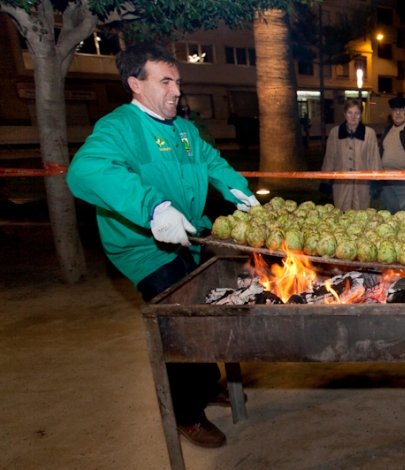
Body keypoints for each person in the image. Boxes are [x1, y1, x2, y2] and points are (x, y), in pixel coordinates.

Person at [66, 43, 260, 449]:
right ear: (135, 84)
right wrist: (152, 208)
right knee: (178, 323)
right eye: (165, 81)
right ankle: (187, 414)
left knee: (209, 307)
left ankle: (205, 383)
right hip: (143, 248)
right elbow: (86, 171)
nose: (176, 91)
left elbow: (212, 162)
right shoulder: (120, 127)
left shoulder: (184, 130)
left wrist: (239, 191)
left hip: (187, 238)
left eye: (178, 82)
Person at [321, 99, 381, 211]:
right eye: (350, 113)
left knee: (361, 215)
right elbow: (329, 158)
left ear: (361, 115)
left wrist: (376, 182)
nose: (353, 116)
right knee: (341, 215)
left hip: (362, 185)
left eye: (357, 113)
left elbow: (374, 159)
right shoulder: (335, 133)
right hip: (341, 185)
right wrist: (326, 180)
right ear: (344, 114)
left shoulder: (369, 134)